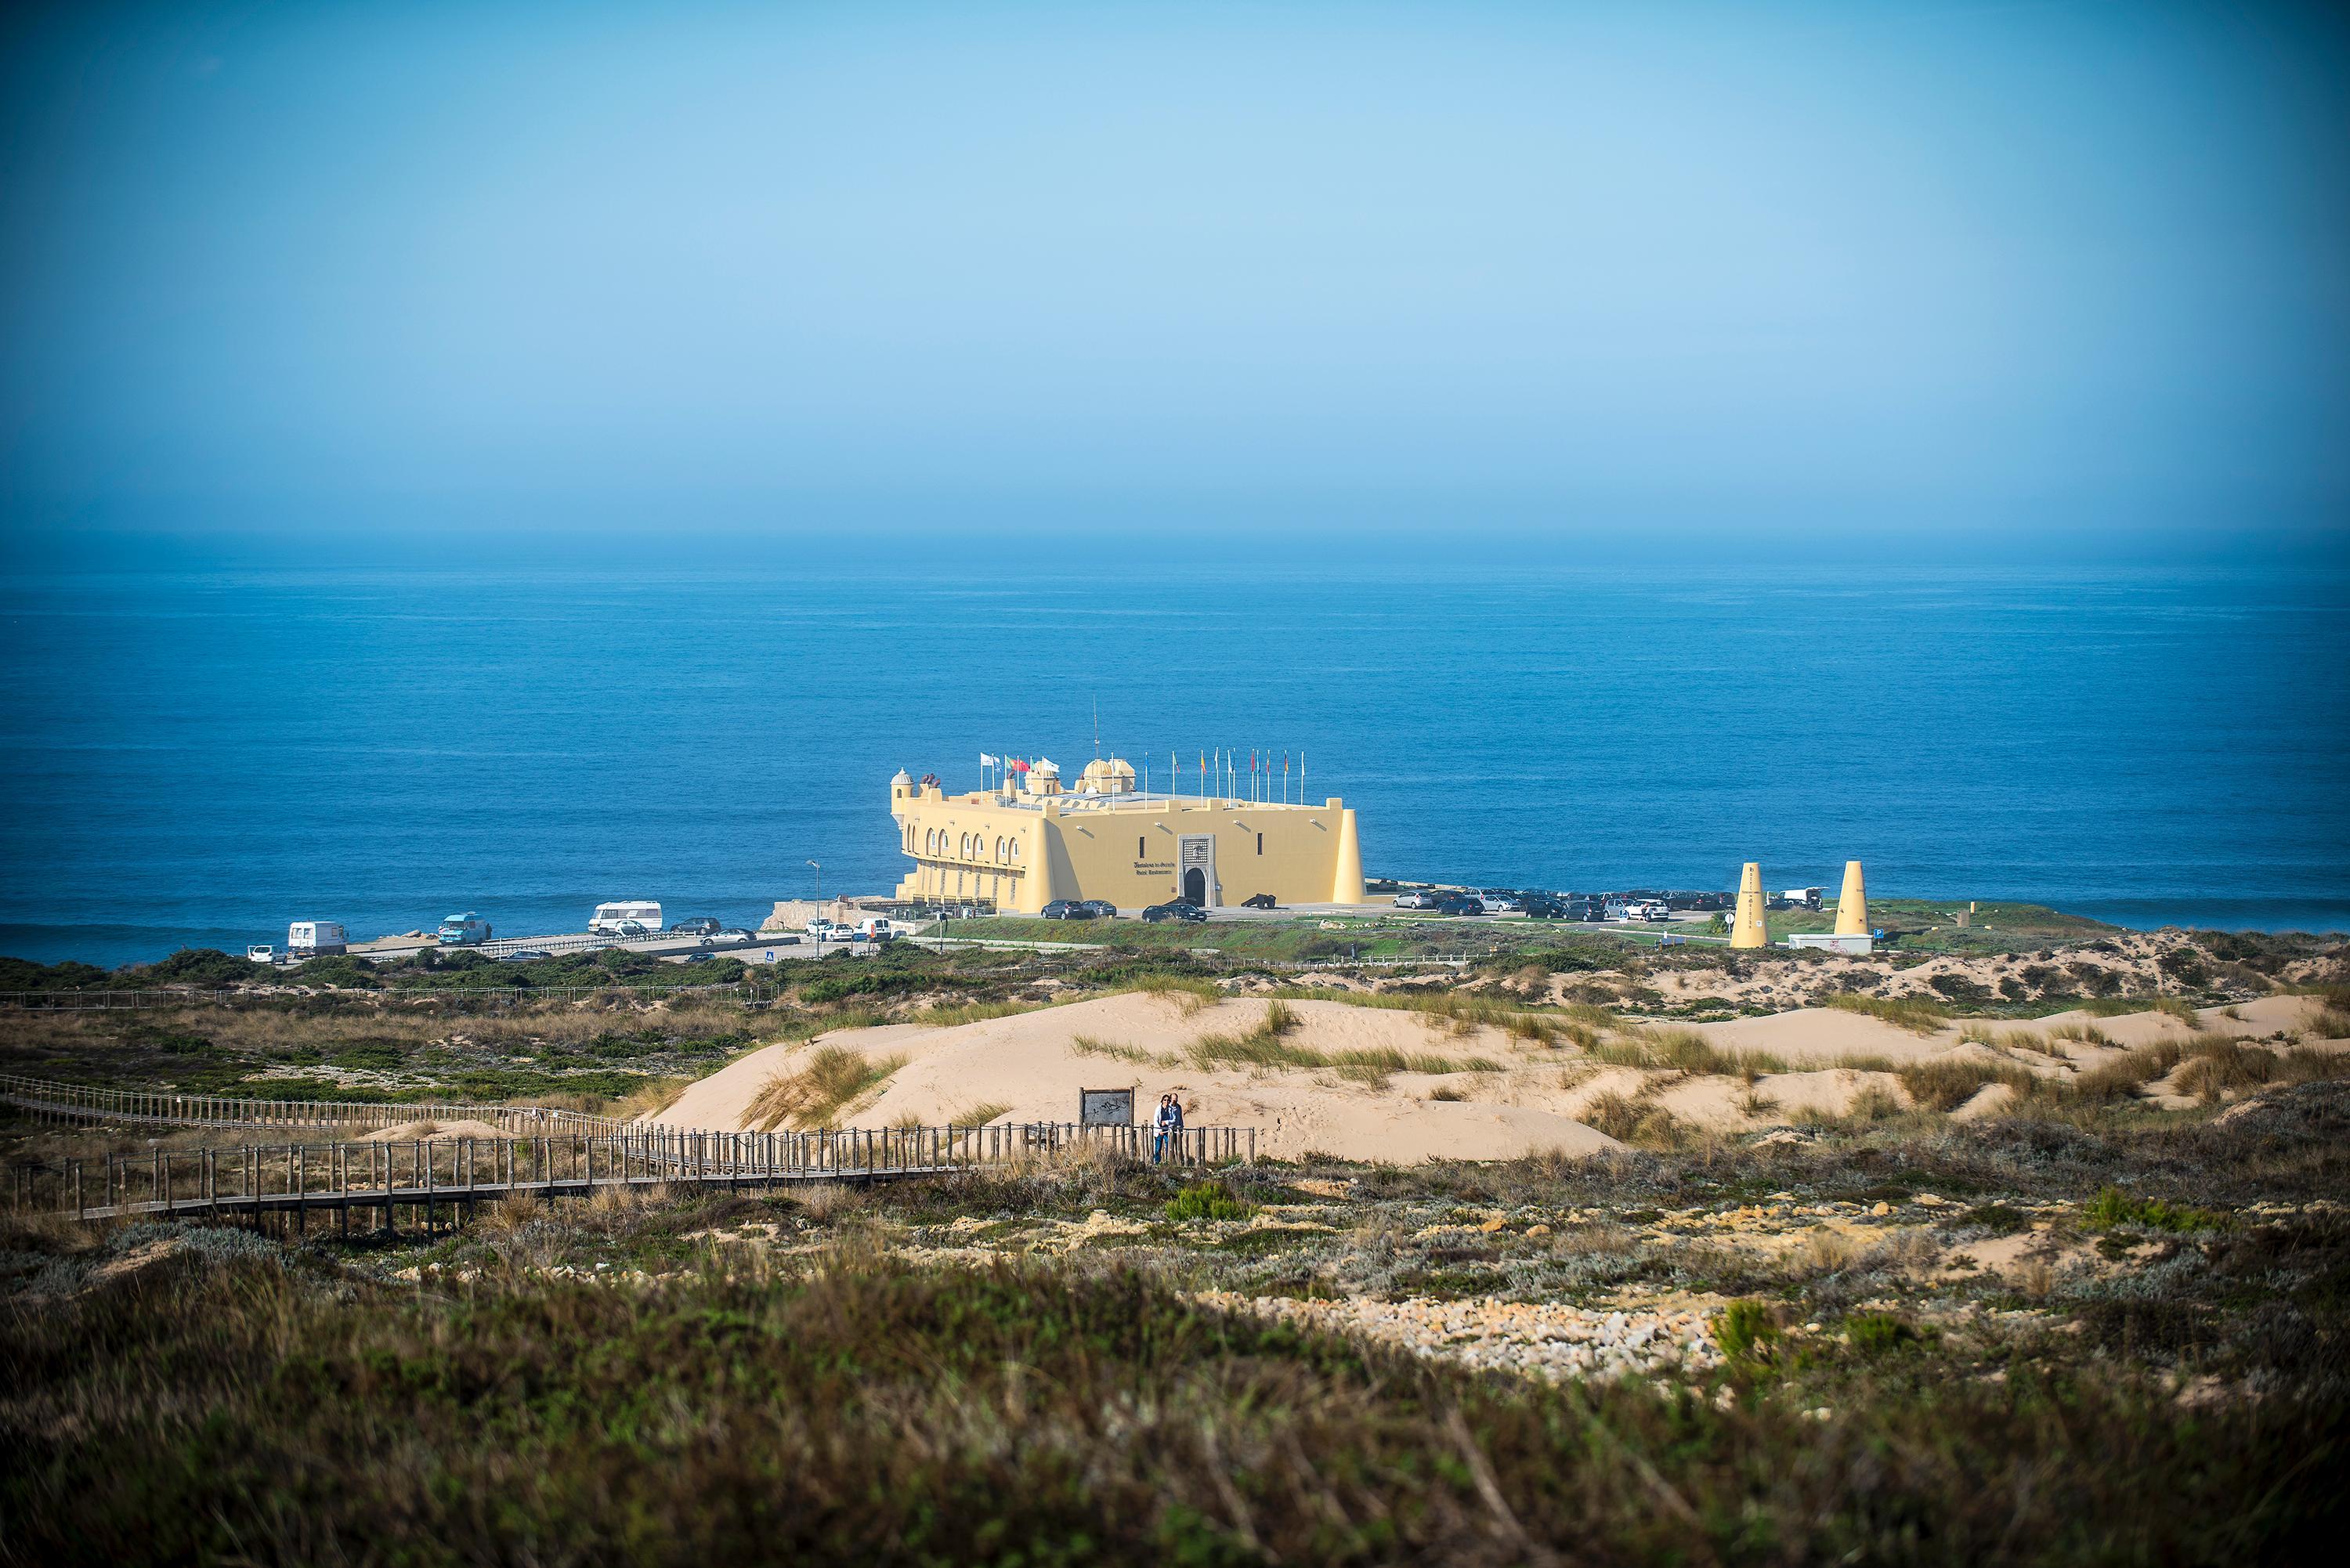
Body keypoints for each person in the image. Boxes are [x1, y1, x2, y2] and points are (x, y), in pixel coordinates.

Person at [1152, 1093, 1175, 1164]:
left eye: (1168, 1100)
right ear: (1162, 1101)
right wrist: (1159, 1130)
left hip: (1167, 1130)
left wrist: (1166, 1122)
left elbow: (1174, 1119)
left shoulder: (1171, 1109)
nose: (1166, 1102)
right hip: (1159, 1130)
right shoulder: (1159, 1109)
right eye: (1165, 1100)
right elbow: (1155, 1120)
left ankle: (1168, 1161)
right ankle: (1157, 1162)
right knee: (1158, 1147)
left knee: (1168, 1144)